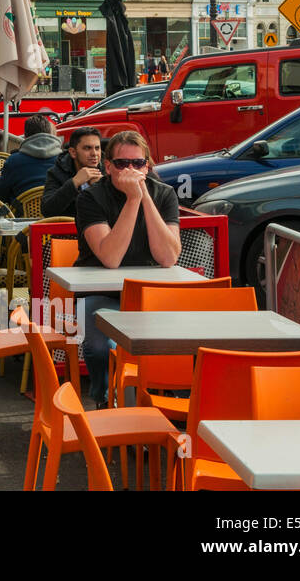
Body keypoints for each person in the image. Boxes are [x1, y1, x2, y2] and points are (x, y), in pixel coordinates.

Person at [74, 130, 181, 407]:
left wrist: (144, 197)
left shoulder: (164, 194)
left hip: (152, 295)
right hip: (102, 291)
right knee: (99, 348)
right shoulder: (91, 198)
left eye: (138, 164)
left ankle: (163, 399)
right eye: (122, 164)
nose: (130, 170)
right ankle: (105, 399)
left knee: (182, 345)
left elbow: (168, 257)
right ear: (108, 167)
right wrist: (133, 201)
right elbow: (111, 257)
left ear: (148, 166)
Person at [0, 114, 63, 206]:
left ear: (25, 136)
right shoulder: (64, 160)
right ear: (49, 133)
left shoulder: (14, 161)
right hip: (58, 216)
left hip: (21, 217)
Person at [41, 126, 103, 218]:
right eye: (87, 148)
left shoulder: (108, 169)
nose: (94, 153)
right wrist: (74, 183)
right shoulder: (57, 172)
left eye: (97, 148)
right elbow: (47, 210)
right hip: (69, 230)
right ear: (73, 152)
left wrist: (101, 188)